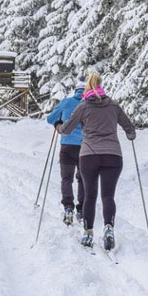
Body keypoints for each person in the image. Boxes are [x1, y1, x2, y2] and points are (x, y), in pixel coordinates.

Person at [56, 72, 136, 250]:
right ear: (101, 86)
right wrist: (130, 135)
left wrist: (58, 127)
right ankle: (108, 227)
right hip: (113, 155)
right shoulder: (113, 105)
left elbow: (67, 129)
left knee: (90, 196)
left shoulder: (83, 107)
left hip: (89, 155)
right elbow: (129, 127)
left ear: (87, 88)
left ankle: (88, 233)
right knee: (108, 196)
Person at [46, 76, 86, 225]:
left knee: (66, 178)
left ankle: (68, 207)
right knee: (83, 179)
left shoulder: (67, 102)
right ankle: (81, 209)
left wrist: (59, 122)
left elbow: (50, 119)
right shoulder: (89, 104)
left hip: (67, 145)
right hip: (85, 147)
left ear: (76, 90)